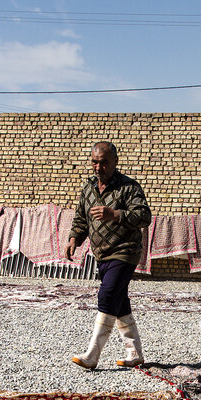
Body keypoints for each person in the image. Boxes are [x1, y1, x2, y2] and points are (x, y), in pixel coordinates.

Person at [66, 141, 151, 369]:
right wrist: (74, 238)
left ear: (115, 161)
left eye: (103, 163)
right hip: (101, 254)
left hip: (125, 251)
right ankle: (135, 353)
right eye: (94, 162)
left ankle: (92, 354)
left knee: (107, 295)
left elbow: (143, 216)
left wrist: (114, 214)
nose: (98, 167)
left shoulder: (128, 188)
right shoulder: (89, 188)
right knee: (119, 301)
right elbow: (81, 218)